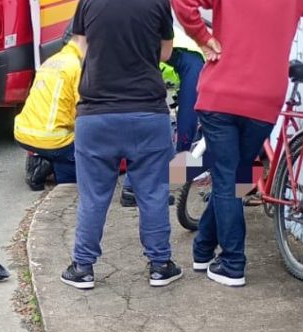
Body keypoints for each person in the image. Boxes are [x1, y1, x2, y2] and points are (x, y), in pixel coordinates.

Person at [172, 0, 303, 287]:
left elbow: (182, 2)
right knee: (234, 178)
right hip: (265, 101)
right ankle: (203, 249)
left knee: (227, 179)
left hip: (221, 95)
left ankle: (232, 264)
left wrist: (203, 38)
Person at [61, 0, 181, 290]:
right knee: (152, 193)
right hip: (148, 114)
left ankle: (83, 267)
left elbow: (80, 44)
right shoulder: (158, 2)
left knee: (94, 196)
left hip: (96, 116)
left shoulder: (88, 2)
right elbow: (166, 51)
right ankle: (160, 266)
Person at [121, 24, 206, 207]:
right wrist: (182, 153)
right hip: (168, 53)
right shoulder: (196, 61)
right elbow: (188, 118)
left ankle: (132, 186)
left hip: (141, 52)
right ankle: (140, 188)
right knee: (159, 127)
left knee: (146, 122)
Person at [14, 34, 85, 190]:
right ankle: (59, 173)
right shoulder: (77, 67)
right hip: (54, 139)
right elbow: (84, 109)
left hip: (24, 132)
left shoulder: (51, 61)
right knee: (80, 170)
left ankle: (40, 162)